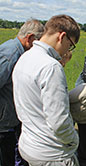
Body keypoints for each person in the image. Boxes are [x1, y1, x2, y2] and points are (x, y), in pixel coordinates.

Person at [12, 14, 80, 166]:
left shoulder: (25, 57)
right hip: (52, 153)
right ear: (62, 36)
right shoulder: (51, 66)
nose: (67, 51)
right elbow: (59, 121)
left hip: (29, 144)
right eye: (70, 45)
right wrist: (74, 139)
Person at [0, 19, 44, 166]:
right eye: (38, 42)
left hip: (11, 119)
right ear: (30, 38)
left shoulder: (19, 52)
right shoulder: (10, 55)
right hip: (3, 124)